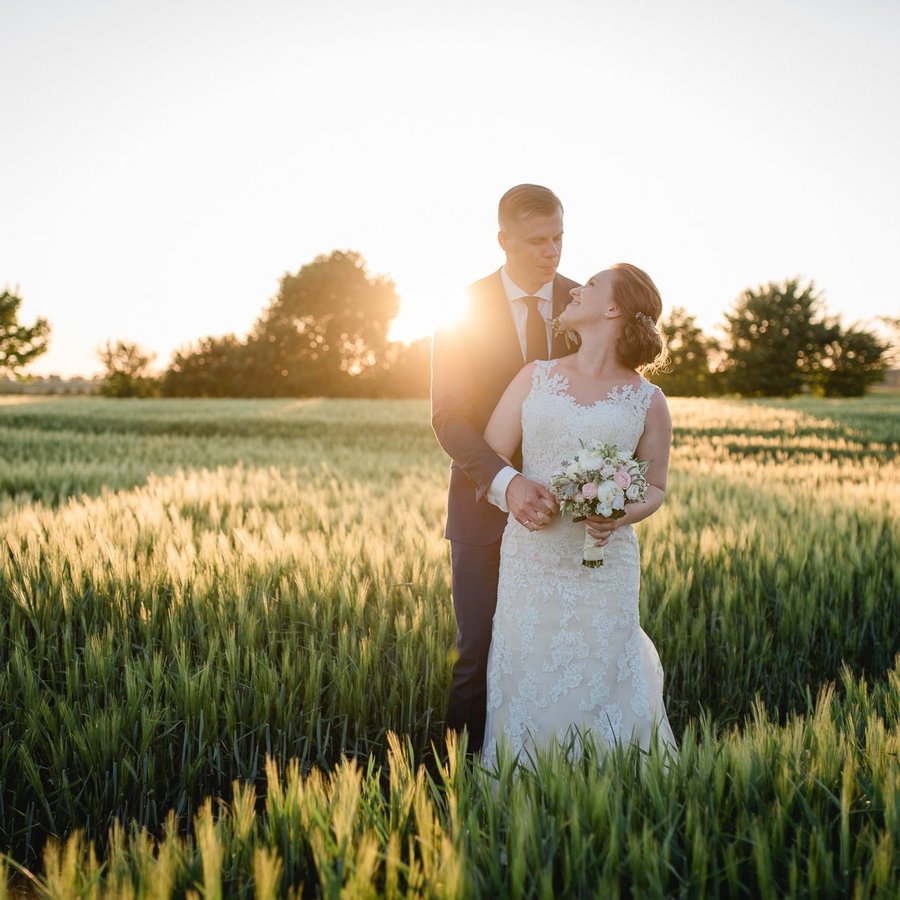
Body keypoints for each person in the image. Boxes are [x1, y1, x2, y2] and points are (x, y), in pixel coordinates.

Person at [481, 263, 677, 763]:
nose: (575, 289)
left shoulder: (647, 400)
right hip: (532, 554)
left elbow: (654, 487)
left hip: (603, 564)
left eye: (590, 285)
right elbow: (491, 454)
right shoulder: (535, 377)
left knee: (603, 672)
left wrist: (620, 514)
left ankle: (611, 791)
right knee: (527, 670)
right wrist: (516, 488)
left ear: (612, 309)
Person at [431, 184, 579, 753]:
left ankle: (556, 770)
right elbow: (449, 418)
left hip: (568, 512)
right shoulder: (462, 309)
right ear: (503, 240)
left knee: (558, 650)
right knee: (477, 653)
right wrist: (507, 483)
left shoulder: (585, 302)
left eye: (559, 238)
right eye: (537, 241)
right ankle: (458, 782)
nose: (551, 253)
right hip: (483, 514)